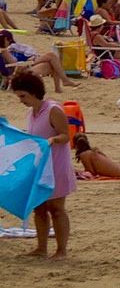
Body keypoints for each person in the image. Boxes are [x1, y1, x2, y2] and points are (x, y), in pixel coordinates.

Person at [11, 74, 75, 258]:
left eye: (23, 96)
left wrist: (52, 139)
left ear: (33, 93)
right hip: (40, 168)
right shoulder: (31, 113)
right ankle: (41, 248)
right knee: (39, 209)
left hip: (56, 166)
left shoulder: (53, 110)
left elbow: (65, 136)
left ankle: (61, 250)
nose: (21, 100)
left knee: (56, 209)